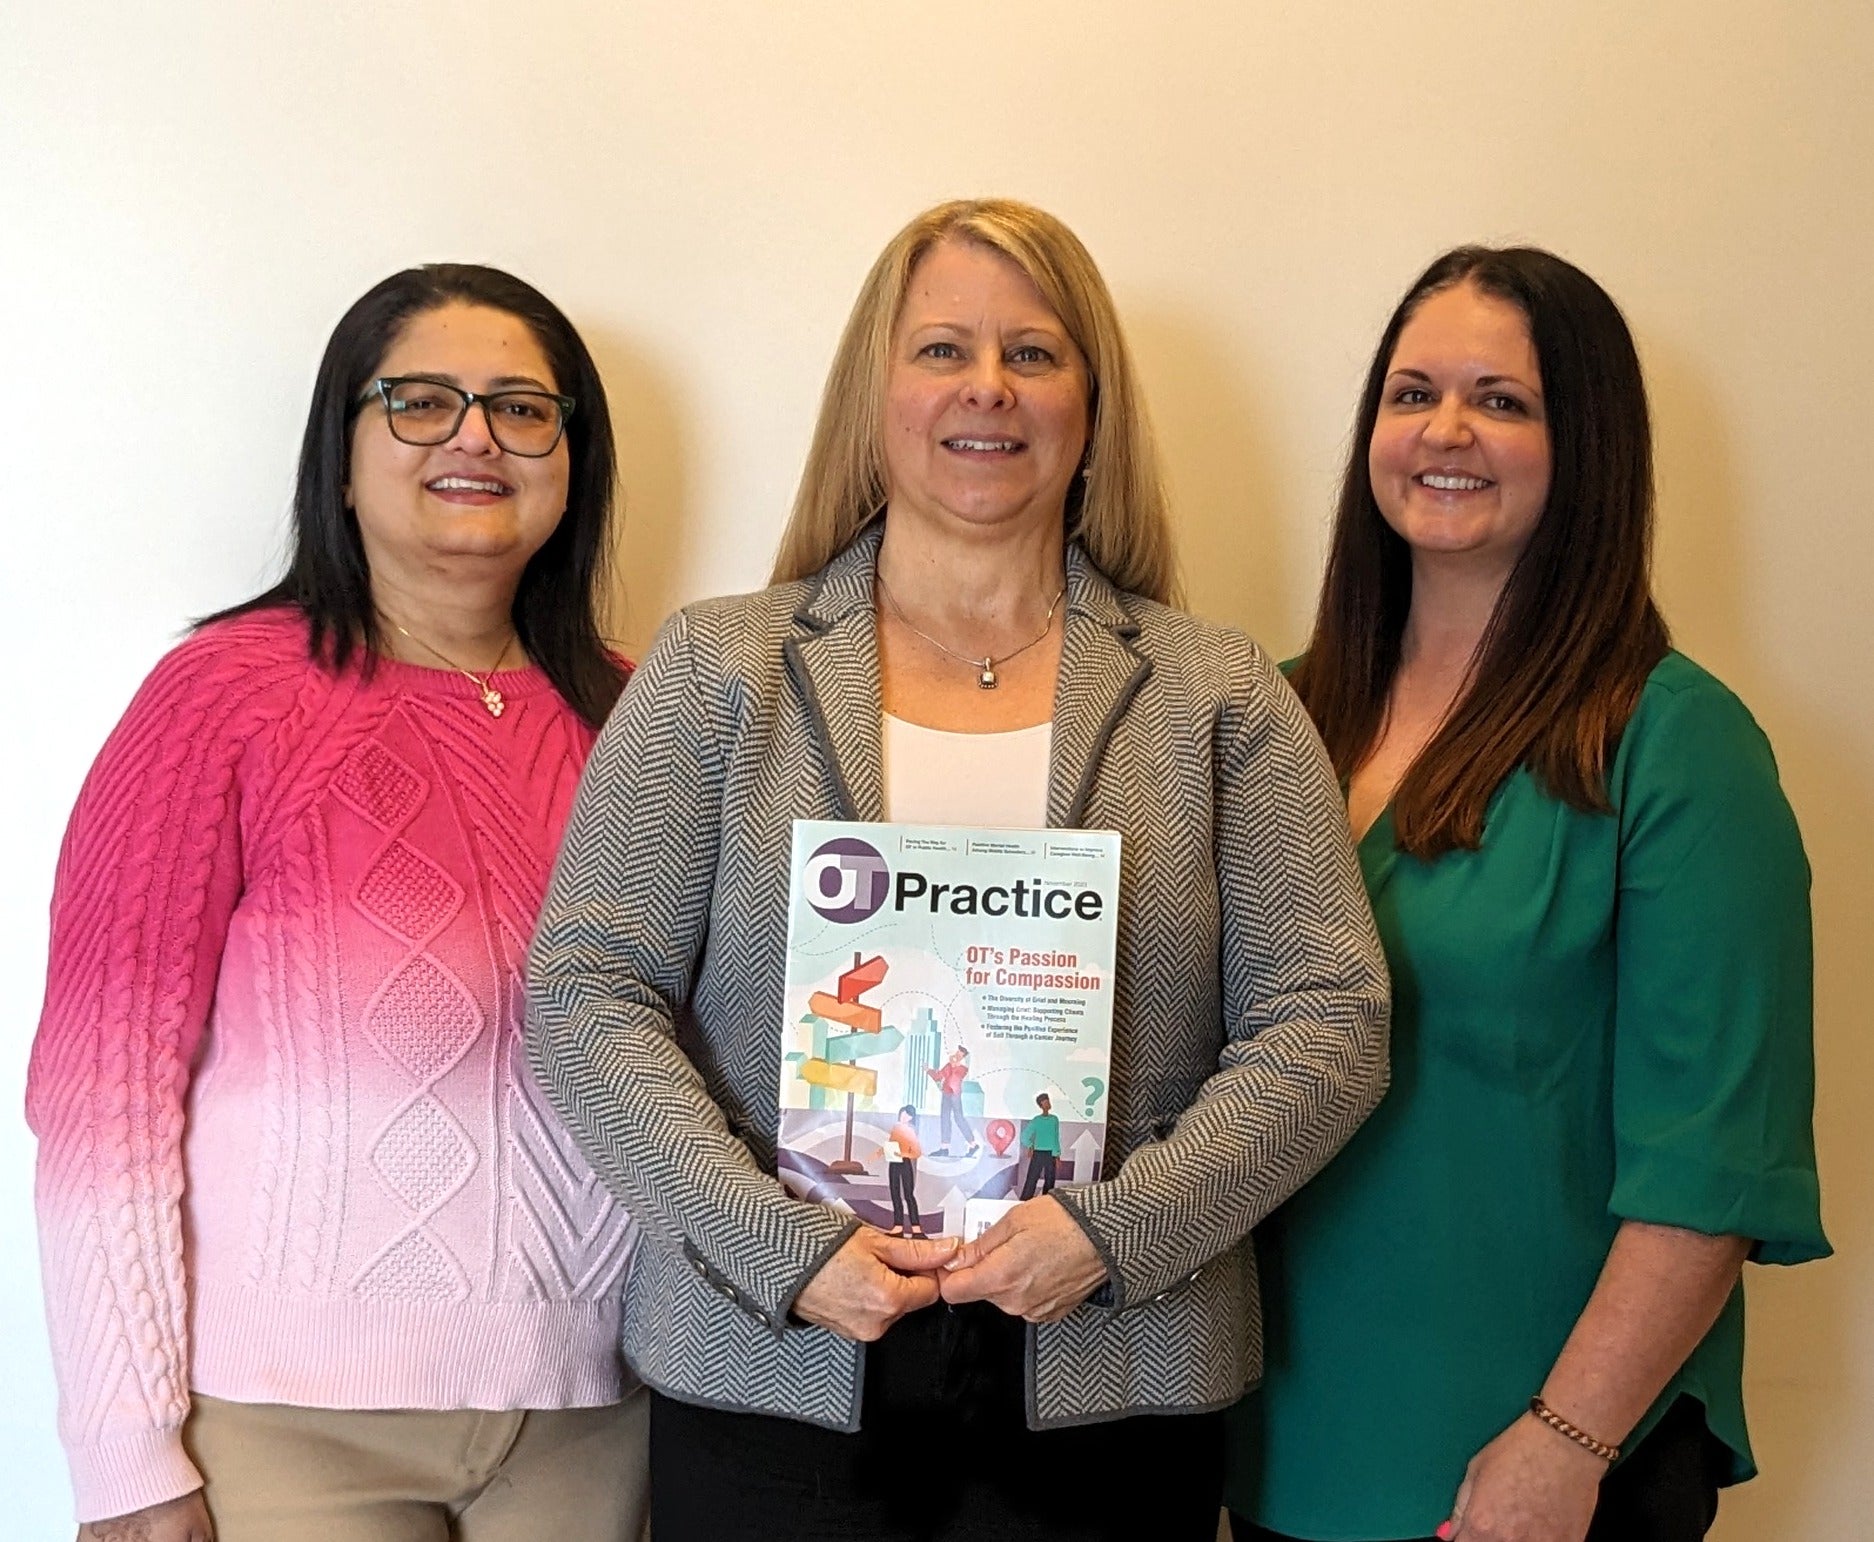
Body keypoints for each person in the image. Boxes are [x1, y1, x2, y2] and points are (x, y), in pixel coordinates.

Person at [526, 196, 1390, 1542]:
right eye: (940, 349)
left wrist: (1120, 1231)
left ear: (1090, 407)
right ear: (873, 394)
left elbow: (1326, 1023)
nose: (987, 386)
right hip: (776, 1369)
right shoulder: (716, 670)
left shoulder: (1215, 693)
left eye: (1033, 354)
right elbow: (588, 991)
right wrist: (776, 1246)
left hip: (1114, 1375)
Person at [27, 264, 647, 1542]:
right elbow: (101, 1091)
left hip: (601, 1408)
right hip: (287, 1428)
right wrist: (122, 1452)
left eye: (524, 409)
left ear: (571, 457)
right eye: (420, 400)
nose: (475, 435)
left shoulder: (652, 718)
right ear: (343, 450)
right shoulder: (222, 698)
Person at [1222, 247, 1829, 1542]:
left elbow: (1712, 1164)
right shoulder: (1270, 718)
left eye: (1501, 399)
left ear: (1587, 446)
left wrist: (1564, 1441)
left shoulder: (1676, 746)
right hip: (1278, 1439)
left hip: (1532, 1467)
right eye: (1411, 392)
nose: (1445, 430)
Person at [878, 1106, 926, 1237]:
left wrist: (903, 1154)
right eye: (902, 1114)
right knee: (895, 1193)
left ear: (911, 1118)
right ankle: (898, 1226)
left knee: (908, 1194)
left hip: (905, 1162)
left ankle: (916, 1229)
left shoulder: (910, 1131)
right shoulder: (895, 1129)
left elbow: (917, 1152)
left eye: (907, 1115)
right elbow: (890, 1144)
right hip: (894, 1162)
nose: (904, 1117)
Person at [926, 1045, 979, 1156]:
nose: (957, 1054)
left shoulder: (963, 1069)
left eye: (960, 1054)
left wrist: (953, 1064)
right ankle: (944, 1148)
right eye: (957, 1052)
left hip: (955, 1095)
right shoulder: (949, 1066)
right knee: (945, 1119)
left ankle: (973, 1144)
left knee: (959, 1118)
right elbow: (938, 1076)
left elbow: (957, 1076)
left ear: (963, 1056)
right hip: (946, 1093)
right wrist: (928, 1070)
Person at [1019, 1094, 1061, 1199]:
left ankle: (1046, 1202)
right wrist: (1030, 1146)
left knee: (1050, 1180)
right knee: (1032, 1178)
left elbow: (1055, 1138)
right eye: (1045, 1102)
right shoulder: (1037, 1120)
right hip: (1038, 1153)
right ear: (1041, 1105)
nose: (1048, 1104)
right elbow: (1024, 1136)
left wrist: (1057, 1155)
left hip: (1050, 1153)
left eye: (1048, 1101)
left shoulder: (1054, 1119)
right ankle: (1024, 1201)